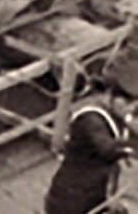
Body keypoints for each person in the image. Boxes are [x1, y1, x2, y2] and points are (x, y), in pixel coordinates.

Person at [43, 53, 138, 214]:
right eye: (127, 103)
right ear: (110, 95)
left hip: (99, 195)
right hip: (71, 199)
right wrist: (133, 146)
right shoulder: (90, 119)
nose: (130, 109)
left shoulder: (119, 115)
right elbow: (107, 149)